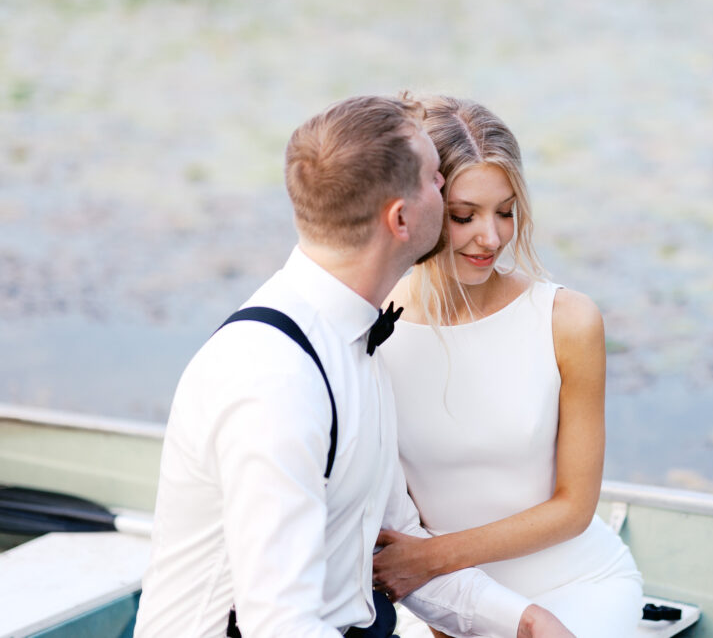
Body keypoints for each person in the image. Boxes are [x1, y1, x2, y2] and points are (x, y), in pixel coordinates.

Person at [134, 96, 573, 638]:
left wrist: (523, 620)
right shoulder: (274, 382)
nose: (448, 184)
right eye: (439, 179)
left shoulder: (357, 339)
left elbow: (395, 540)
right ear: (401, 218)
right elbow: (279, 626)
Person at [373, 96, 643, 637]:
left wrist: (431, 560)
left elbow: (574, 507)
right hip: (442, 599)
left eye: (506, 211)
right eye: (464, 216)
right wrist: (442, 605)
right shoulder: (374, 327)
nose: (490, 238)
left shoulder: (567, 320)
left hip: (578, 587)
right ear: (417, 205)